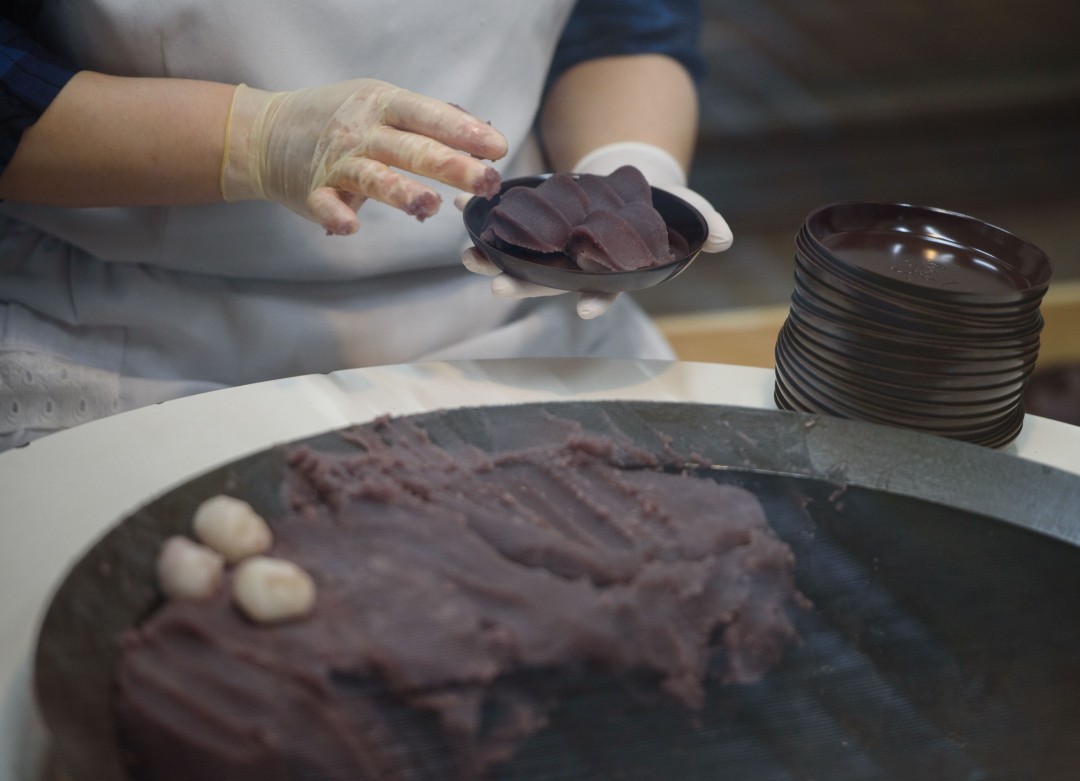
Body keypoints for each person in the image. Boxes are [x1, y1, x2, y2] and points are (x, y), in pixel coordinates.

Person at [0, 0, 732, 451]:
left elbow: (622, 22)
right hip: (138, 346)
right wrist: (249, 137)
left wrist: (627, 179)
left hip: (530, 331)